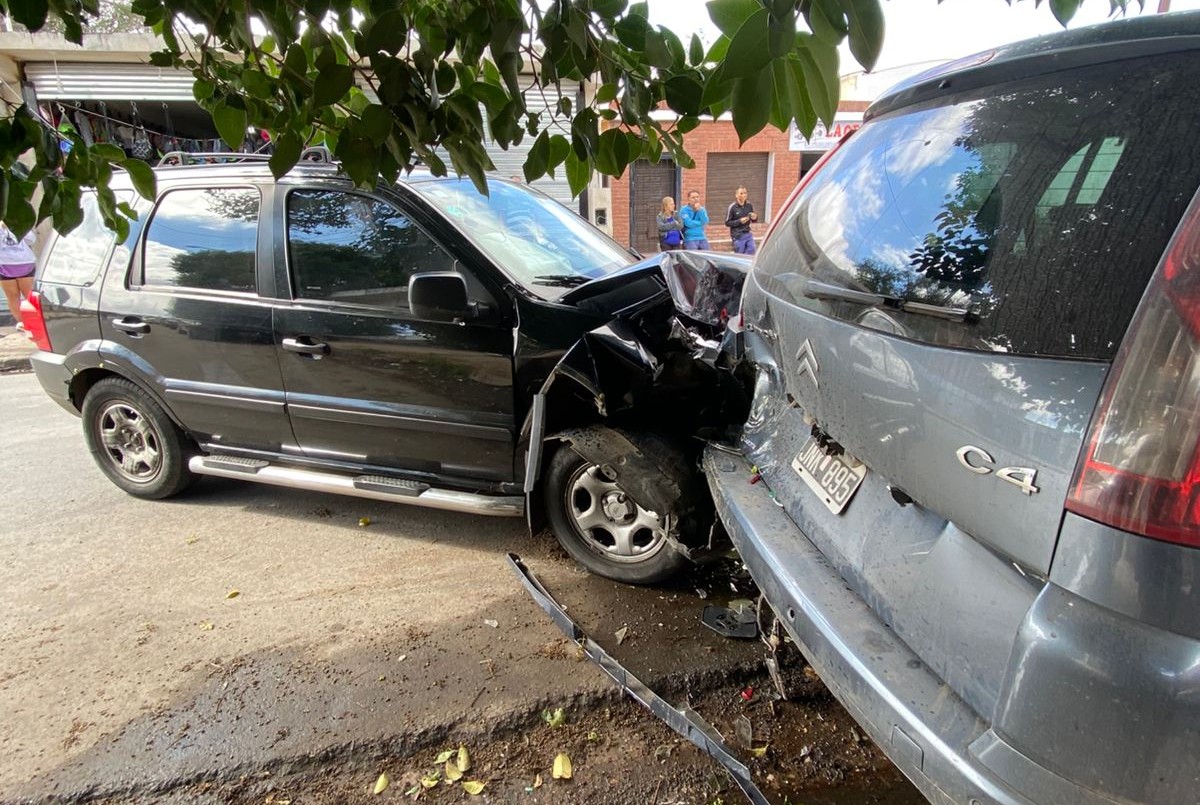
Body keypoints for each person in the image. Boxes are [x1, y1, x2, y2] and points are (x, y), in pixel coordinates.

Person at [0, 223, 36, 330]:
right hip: (5, 264)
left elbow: (31, 239)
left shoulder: (20, 221)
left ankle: (35, 321)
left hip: (24, 262)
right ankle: (23, 322)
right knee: (13, 296)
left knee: (29, 296)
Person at [725, 186, 758, 255]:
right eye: (741, 193)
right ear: (736, 195)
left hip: (747, 233)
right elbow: (727, 222)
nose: (744, 195)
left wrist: (754, 217)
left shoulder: (749, 205)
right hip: (737, 235)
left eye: (745, 193)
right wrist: (739, 221)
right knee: (740, 254)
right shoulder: (732, 207)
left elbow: (754, 220)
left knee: (752, 249)